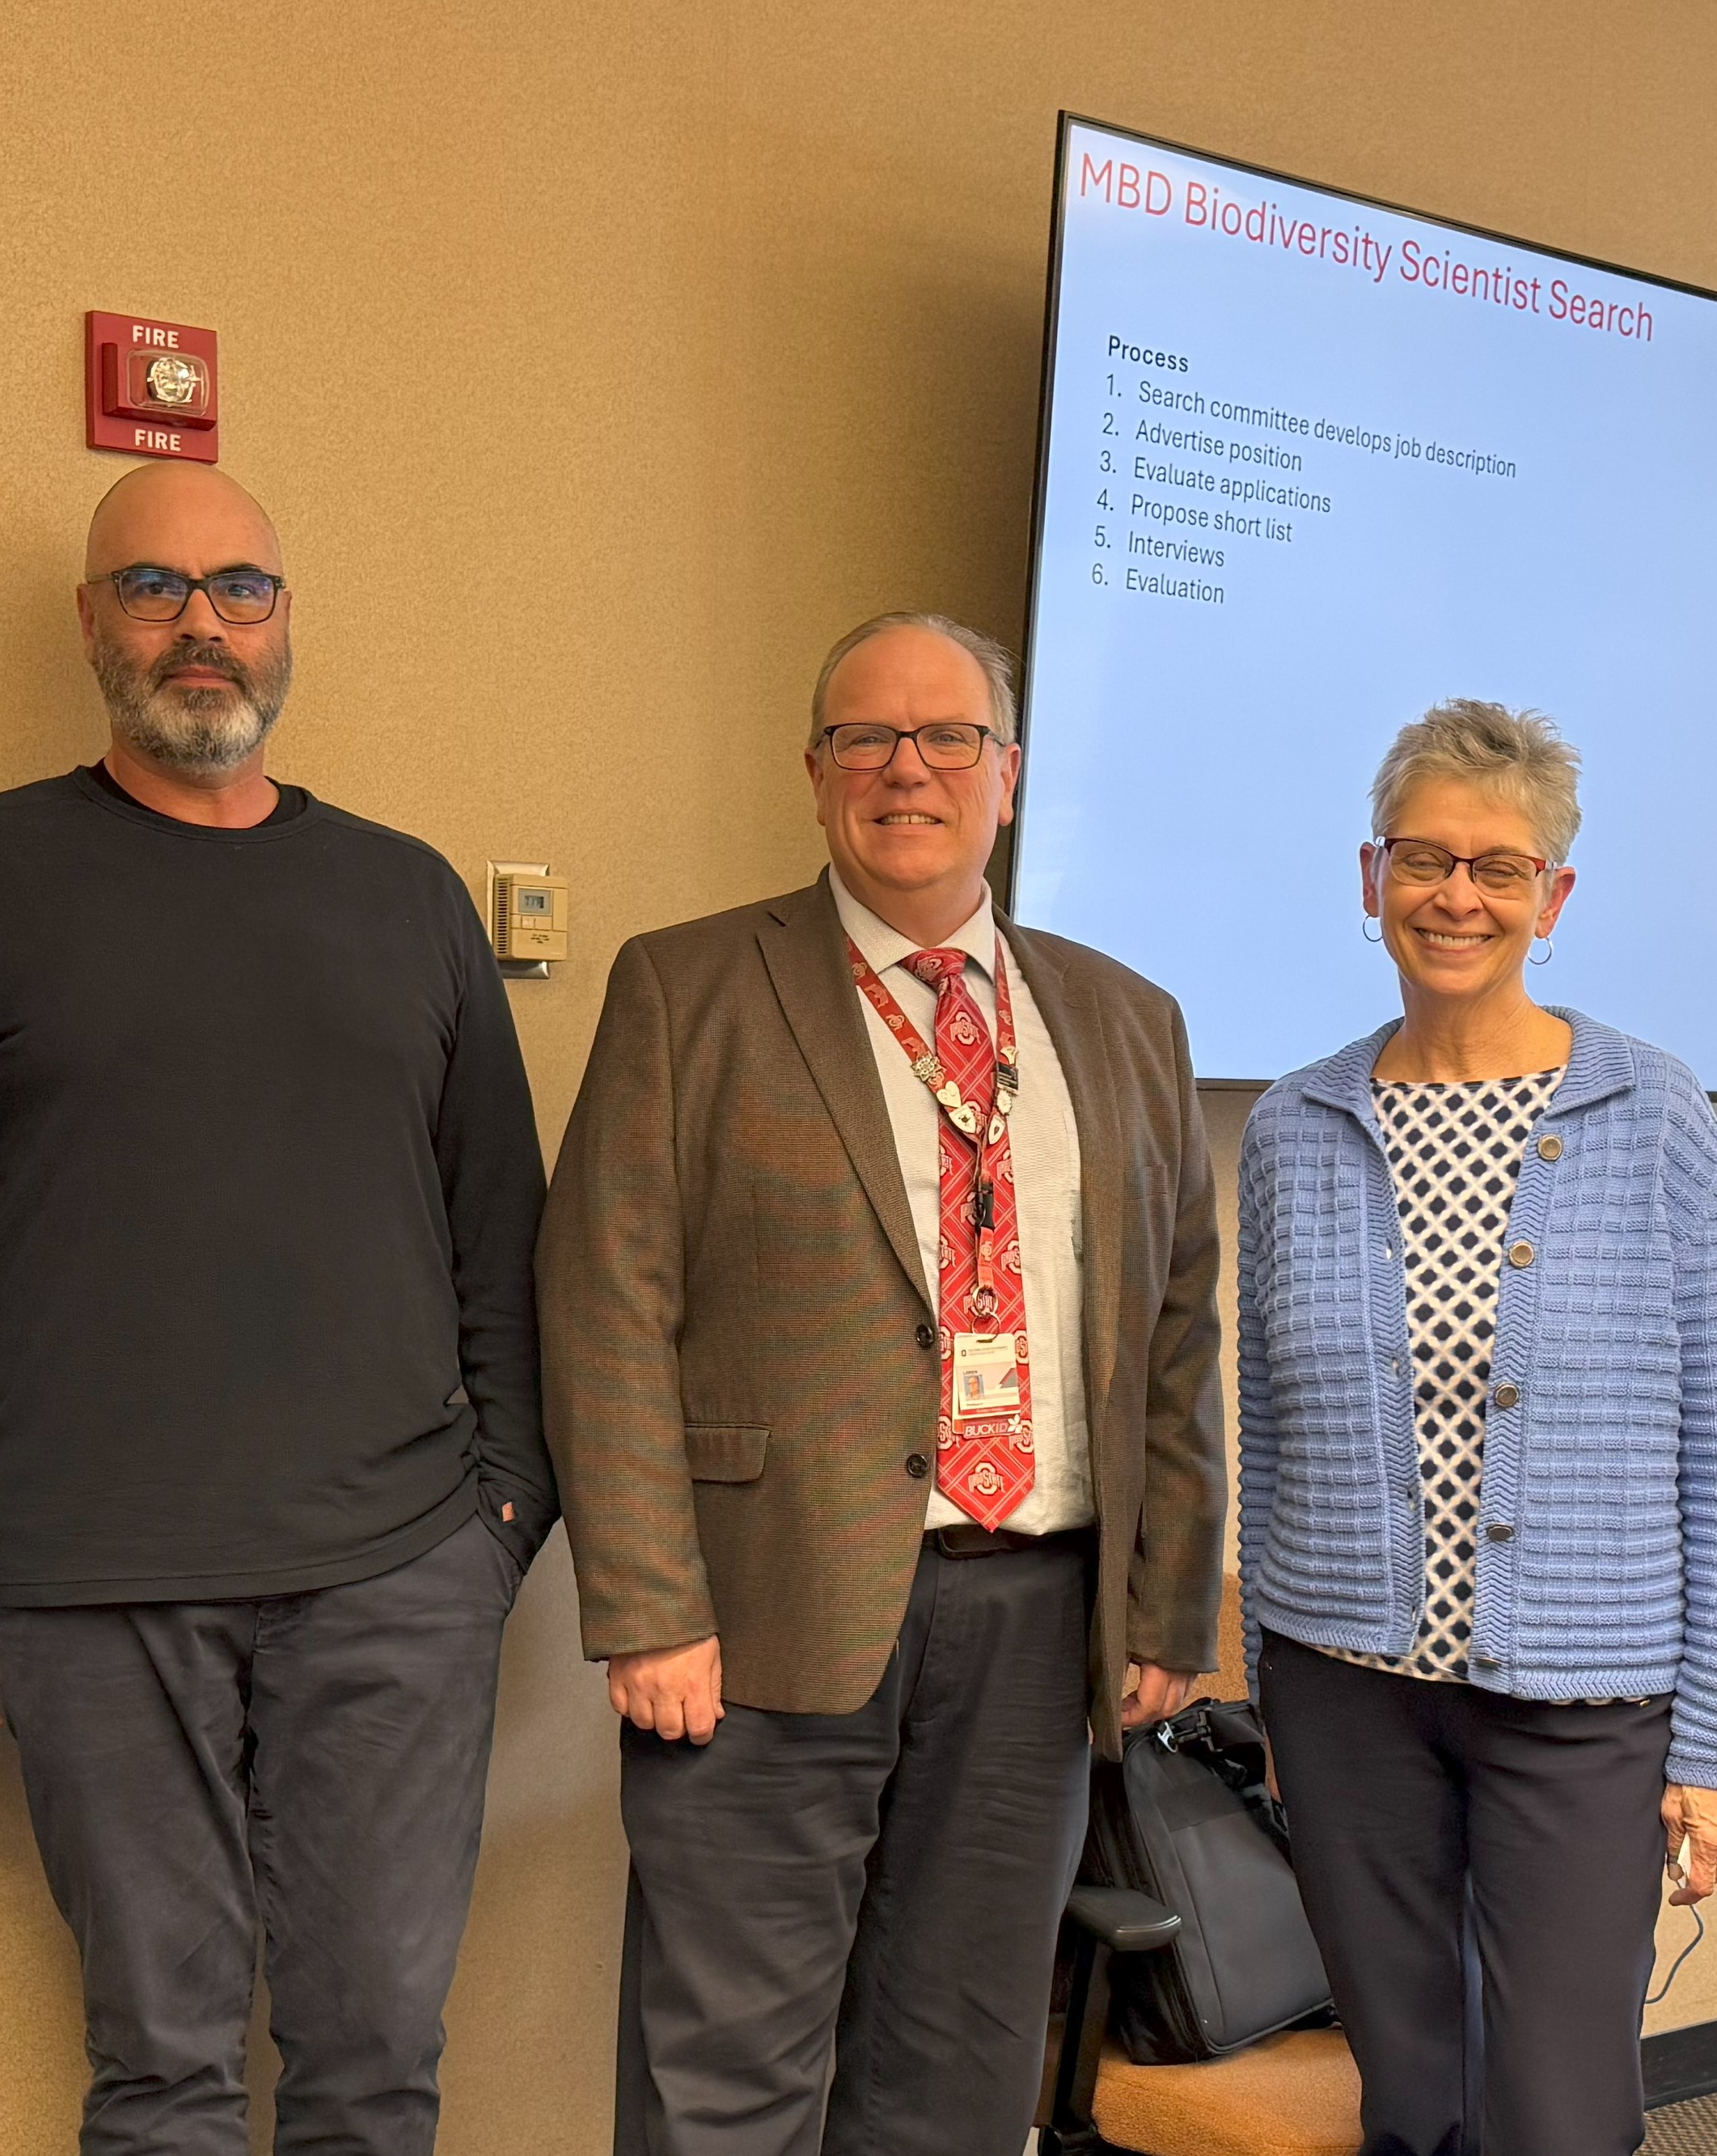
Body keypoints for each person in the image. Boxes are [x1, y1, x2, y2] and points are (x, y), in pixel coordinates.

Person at [0, 463, 550, 2156]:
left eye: (241, 588)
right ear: (90, 621)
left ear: (287, 622)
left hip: (393, 1573)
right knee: (158, 2067)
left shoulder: (408, 895)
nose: (202, 626)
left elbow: (501, 1231)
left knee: (374, 2052)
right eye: (155, 589)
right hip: (88, 1585)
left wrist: (498, 1525)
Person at [543, 611, 1224, 2156]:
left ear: (1008, 775)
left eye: (947, 739)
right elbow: (605, 1307)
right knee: (729, 2073)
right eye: (867, 737)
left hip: (1038, 1622)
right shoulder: (688, 988)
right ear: (814, 770)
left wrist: (1167, 1603)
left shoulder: (1126, 1020)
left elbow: (1176, 1332)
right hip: (765, 1613)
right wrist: (648, 1605)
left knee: (962, 2064)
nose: (905, 769)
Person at [1235, 700, 1717, 2156]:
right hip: (1347, 1696)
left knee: (1556, 2105)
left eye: (1499, 865)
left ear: (1554, 894)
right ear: (1371, 879)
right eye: (1424, 857)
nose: (1456, 895)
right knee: (1410, 2094)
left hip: (1582, 1711)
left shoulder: (1652, 1111)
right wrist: (1273, 1683)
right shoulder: (1292, 1125)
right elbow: (1270, 1433)